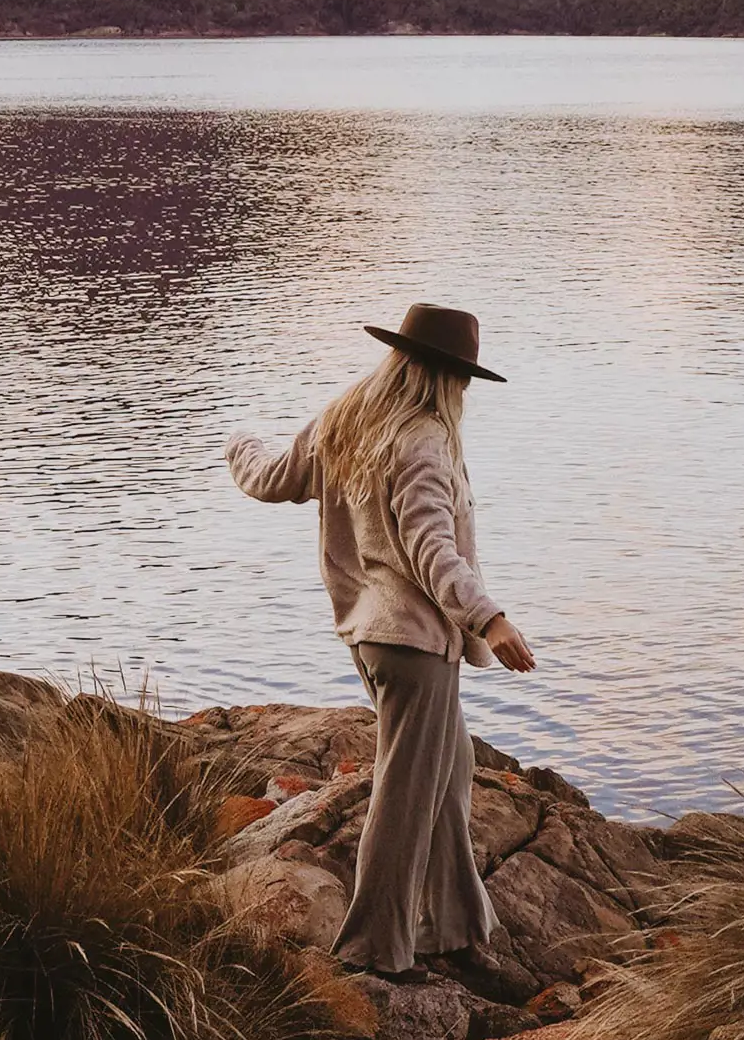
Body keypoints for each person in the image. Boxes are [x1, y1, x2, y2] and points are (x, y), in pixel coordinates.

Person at [226, 302, 534, 979]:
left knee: (449, 772)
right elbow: (431, 548)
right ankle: (376, 951)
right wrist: (490, 618)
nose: (464, 394)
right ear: (446, 378)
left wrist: (238, 444)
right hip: (417, 645)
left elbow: (272, 476)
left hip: (372, 638)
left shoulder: (346, 419)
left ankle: (451, 922)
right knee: (405, 799)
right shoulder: (422, 439)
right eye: (463, 381)